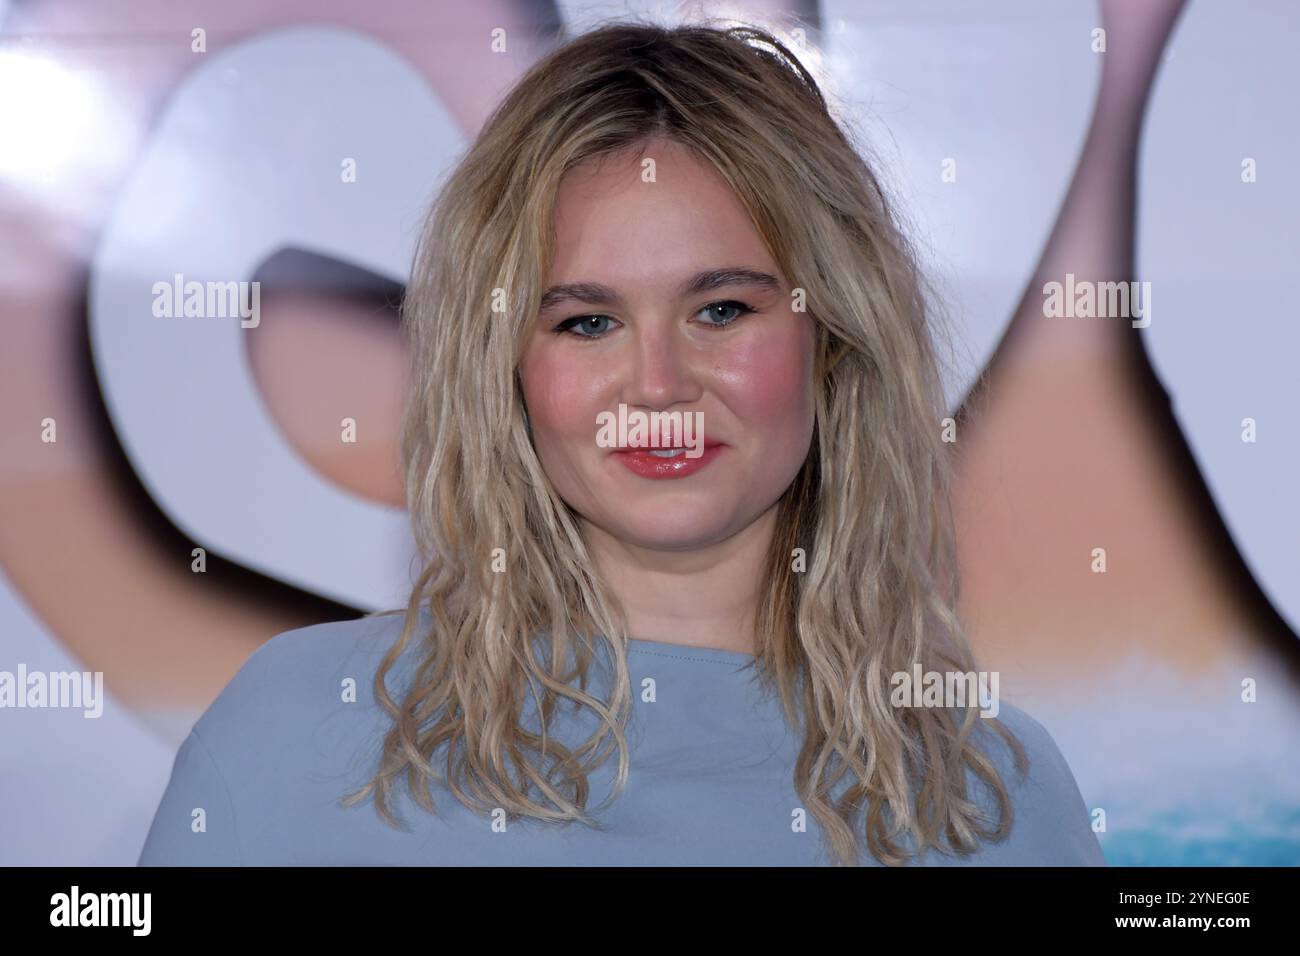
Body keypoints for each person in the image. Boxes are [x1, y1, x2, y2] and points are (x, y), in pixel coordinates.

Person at [138, 20, 1105, 867]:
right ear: (504, 366)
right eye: (587, 323)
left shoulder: (987, 800)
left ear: (833, 339)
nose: (657, 385)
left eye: (721, 309)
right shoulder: (296, 736)